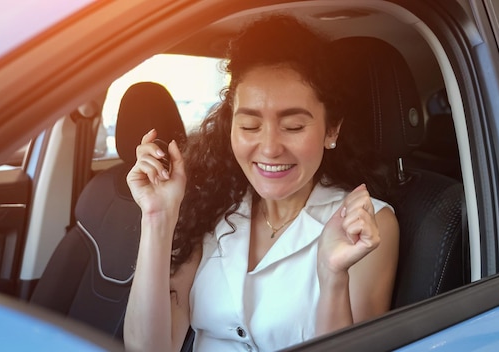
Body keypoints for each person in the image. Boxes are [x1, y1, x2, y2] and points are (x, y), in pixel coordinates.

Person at [123, 15, 399, 352]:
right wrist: (157, 218)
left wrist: (332, 277)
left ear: (331, 130)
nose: (269, 148)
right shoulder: (212, 206)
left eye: (294, 127)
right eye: (251, 126)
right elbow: (149, 348)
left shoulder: (366, 224)